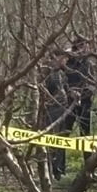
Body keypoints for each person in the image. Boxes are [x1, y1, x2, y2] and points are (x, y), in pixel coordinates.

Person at [38, 49, 68, 179]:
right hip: (51, 110)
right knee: (51, 139)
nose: (65, 61)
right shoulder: (46, 73)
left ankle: (59, 168)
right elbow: (42, 90)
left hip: (63, 109)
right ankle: (51, 168)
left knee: (61, 139)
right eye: (63, 58)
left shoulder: (62, 73)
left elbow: (65, 87)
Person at [64, 36, 94, 137]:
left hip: (85, 102)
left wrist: (85, 93)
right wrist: (70, 92)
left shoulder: (88, 64)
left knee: (85, 132)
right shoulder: (67, 64)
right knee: (65, 131)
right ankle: (59, 153)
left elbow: (93, 84)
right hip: (68, 102)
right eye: (82, 46)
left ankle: (88, 153)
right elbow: (62, 81)